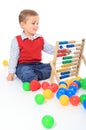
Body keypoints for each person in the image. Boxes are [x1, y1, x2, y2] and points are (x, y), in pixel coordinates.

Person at [7, 9, 55, 83]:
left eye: (37, 23)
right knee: (25, 72)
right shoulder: (17, 40)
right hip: (23, 66)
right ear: (23, 24)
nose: (36, 26)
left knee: (52, 67)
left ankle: (34, 76)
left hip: (38, 65)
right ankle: (32, 77)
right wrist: (11, 72)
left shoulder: (40, 38)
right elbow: (13, 57)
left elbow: (50, 49)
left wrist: (61, 51)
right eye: (33, 23)